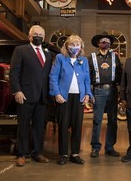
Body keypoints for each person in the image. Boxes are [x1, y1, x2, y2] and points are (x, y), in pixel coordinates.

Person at [9, 25, 52, 167]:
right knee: (23, 125)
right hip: (25, 95)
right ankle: (21, 154)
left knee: (40, 126)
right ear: (29, 36)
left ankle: (37, 152)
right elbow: (14, 72)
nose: (38, 36)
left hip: (42, 96)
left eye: (41, 34)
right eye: (36, 34)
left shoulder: (48, 54)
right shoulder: (21, 50)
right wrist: (17, 90)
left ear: (44, 37)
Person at [49, 35, 93, 165]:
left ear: (81, 47)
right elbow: (53, 77)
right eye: (72, 45)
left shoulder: (83, 60)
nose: (74, 47)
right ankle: (63, 154)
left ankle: (75, 154)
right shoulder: (60, 58)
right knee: (63, 126)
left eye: (77, 44)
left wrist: (87, 94)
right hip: (64, 97)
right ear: (67, 46)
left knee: (77, 126)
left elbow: (87, 79)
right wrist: (56, 93)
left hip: (79, 97)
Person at [88, 31, 122, 158]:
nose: (105, 42)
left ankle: (110, 147)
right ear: (98, 43)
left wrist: (119, 90)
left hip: (113, 90)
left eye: (107, 41)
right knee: (97, 120)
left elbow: (120, 73)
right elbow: (88, 75)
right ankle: (95, 147)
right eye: (102, 40)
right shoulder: (91, 57)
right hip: (98, 91)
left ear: (110, 43)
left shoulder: (115, 57)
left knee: (113, 120)